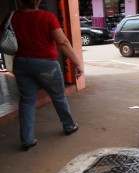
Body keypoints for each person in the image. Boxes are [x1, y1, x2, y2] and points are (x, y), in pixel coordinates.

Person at [0, 0, 83, 151]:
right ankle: (69, 126)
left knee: (26, 102)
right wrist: (77, 63)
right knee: (58, 96)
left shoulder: (11, 17)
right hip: (46, 65)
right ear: (38, 1)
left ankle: (27, 139)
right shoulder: (47, 17)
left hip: (21, 64)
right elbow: (63, 42)